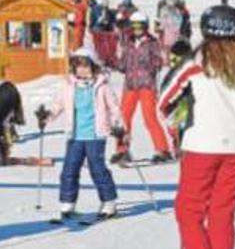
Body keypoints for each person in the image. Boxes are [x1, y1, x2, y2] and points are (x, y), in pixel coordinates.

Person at [159, 5, 235, 249]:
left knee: (189, 212)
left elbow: (165, 99)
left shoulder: (196, 61)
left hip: (201, 145)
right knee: (222, 213)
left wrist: (179, 126)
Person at [49, 48, 123, 221]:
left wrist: (118, 125)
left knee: (97, 169)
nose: (81, 70)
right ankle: (68, 204)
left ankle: (109, 203)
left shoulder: (101, 85)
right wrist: (47, 115)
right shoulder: (68, 85)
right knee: (69, 169)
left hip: (95, 135)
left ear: (93, 67)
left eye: (85, 66)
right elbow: (58, 104)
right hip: (75, 135)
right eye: (78, 66)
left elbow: (114, 108)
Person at [113, 11, 172, 163]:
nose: (137, 30)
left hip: (147, 84)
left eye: (140, 27)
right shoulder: (127, 42)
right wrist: (117, 62)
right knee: (124, 118)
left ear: (145, 27)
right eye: (134, 27)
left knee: (149, 118)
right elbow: (122, 63)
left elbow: (160, 60)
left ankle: (162, 150)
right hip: (130, 84)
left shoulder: (152, 42)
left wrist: (154, 64)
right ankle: (122, 150)